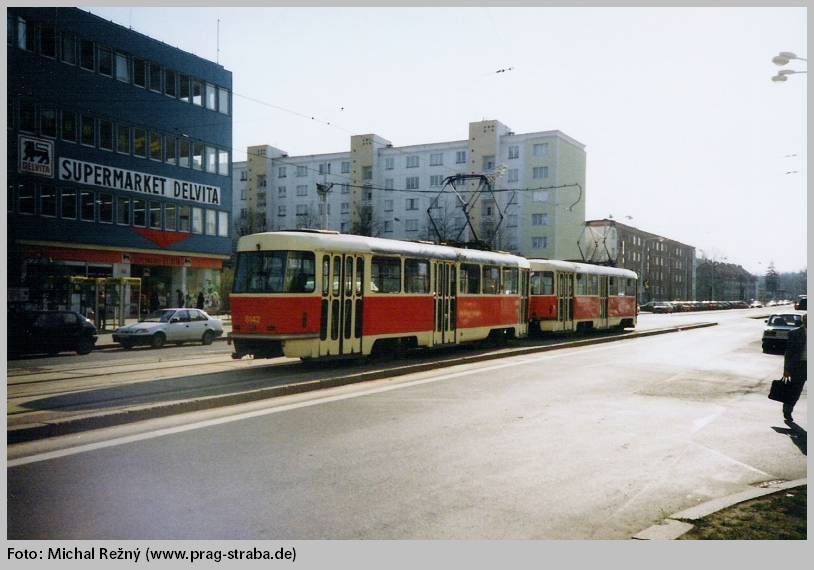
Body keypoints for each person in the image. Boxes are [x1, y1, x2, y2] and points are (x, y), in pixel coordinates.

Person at [781, 313, 807, 422]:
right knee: (795, 390)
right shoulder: (794, 333)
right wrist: (786, 369)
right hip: (800, 365)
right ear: (804, 321)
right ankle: (787, 410)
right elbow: (789, 353)